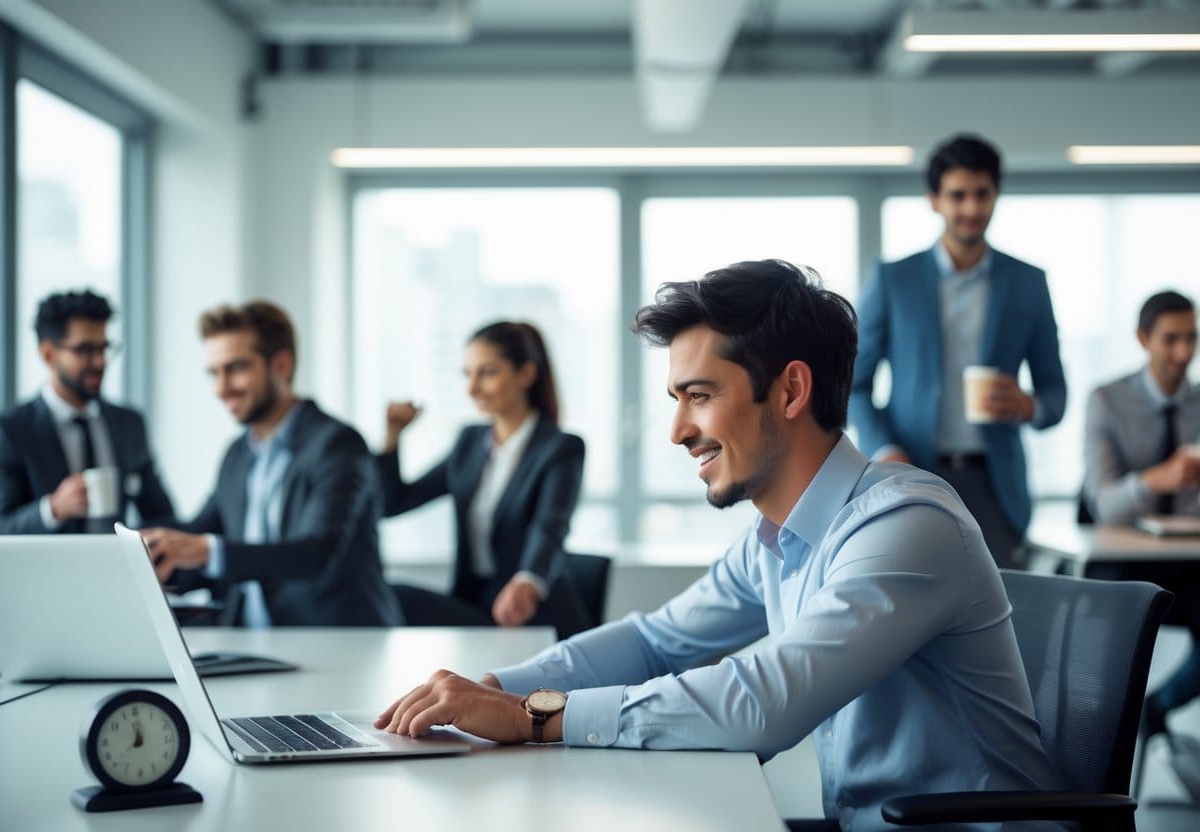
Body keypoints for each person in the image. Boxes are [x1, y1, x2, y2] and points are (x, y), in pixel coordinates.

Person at [374, 260, 1059, 831]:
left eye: (697, 396)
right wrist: (490, 690)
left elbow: (767, 701)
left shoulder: (907, 524)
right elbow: (654, 643)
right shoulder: (773, 537)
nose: (677, 430)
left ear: (790, 389)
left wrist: (532, 718)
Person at [850, 134, 1067, 568]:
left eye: (982, 194)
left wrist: (1027, 405)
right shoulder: (895, 280)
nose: (971, 208)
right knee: (911, 612)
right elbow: (853, 386)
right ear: (935, 200)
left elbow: (1055, 393)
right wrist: (884, 448)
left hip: (994, 485)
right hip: (911, 473)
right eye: (958, 195)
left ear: (996, 194)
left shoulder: (1028, 282)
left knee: (1002, 618)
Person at [141, 301, 402, 627]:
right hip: (252, 639)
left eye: (235, 369)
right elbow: (201, 529)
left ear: (280, 364)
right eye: (214, 373)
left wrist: (206, 550)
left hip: (335, 641)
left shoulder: (337, 445)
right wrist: (146, 547)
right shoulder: (238, 454)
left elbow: (315, 554)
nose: (221, 388)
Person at [378, 321, 590, 638]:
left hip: (532, 615)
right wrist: (392, 438)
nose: (472, 388)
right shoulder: (469, 443)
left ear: (526, 375)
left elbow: (550, 527)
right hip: (476, 607)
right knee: (388, 595)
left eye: (487, 373)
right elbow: (392, 503)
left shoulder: (560, 448)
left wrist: (528, 581)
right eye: (468, 374)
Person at [1083, 289, 1199, 740]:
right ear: (1143, 338)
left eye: (1191, 338)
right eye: (1171, 339)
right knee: (1101, 643)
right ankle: (1097, 738)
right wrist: (1160, 479)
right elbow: (1104, 505)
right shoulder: (1107, 401)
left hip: (1189, 562)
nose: (1183, 352)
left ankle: (1158, 711)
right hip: (1123, 562)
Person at [0, 290, 175, 534]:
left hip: (114, 568)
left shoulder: (128, 425)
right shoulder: (10, 430)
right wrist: (52, 509)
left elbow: (161, 515)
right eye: (85, 350)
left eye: (104, 348)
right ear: (48, 354)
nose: (99, 362)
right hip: (48, 570)